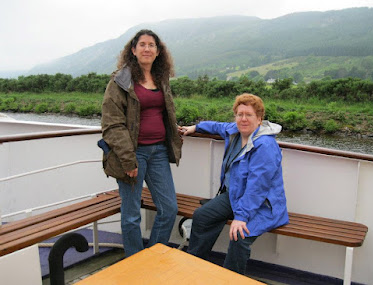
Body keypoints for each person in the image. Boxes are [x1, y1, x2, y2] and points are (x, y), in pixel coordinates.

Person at [179, 93, 289, 274]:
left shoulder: (265, 146)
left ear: (259, 119)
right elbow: (217, 126)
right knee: (202, 216)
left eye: (249, 115)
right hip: (236, 196)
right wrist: (195, 127)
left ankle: (230, 277)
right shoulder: (235, 132)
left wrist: (241, 217)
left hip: (263, 205)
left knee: (239, 236)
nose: (243, 119)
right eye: (239, 114)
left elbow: (258, 188)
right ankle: (195, 267)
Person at [100, 29, 182, 257]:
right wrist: (128, 159)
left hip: (158, 152)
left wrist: (174, 132)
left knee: (169, 209)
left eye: (152, 45)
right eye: (142, 45)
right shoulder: (121, 80)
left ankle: (151, 256)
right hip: (133, 154)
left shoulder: (161, 78)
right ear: (133, 50)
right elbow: (112, 124)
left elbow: (163, 113)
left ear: (158, 51)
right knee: (131, 214)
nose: (147, 48)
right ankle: (134, 260)